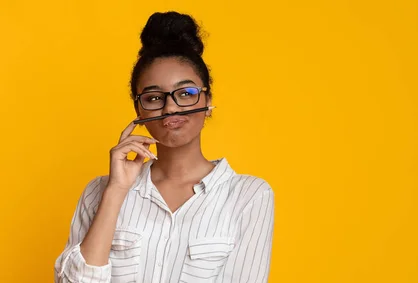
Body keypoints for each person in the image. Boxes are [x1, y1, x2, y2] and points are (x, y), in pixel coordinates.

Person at [54, 11, 274, 283]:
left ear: (207, 102)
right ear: (139, 111)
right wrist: (116, 190)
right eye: (154, 97)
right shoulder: (97, 192)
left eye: (186, 94)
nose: (170, 107)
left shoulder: (249, 196)